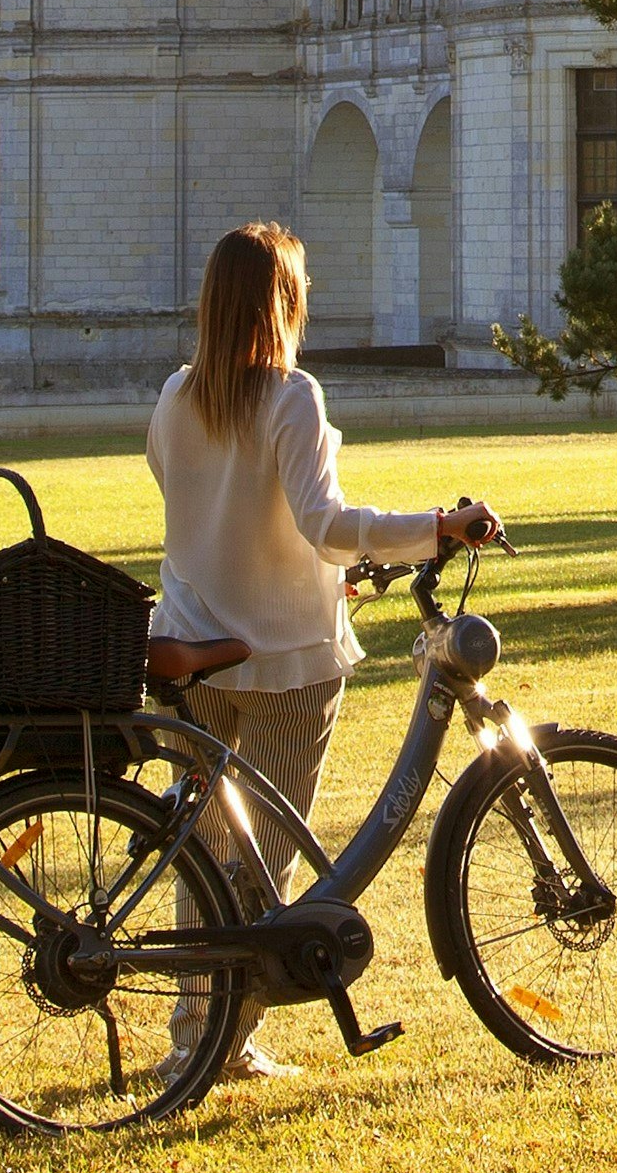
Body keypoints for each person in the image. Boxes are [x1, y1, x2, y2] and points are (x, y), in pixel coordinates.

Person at [143, 219, 492, 1077]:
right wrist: (436, 527)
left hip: (191, 639)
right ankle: (226, 1039)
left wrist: (310, 569)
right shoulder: (290, 394)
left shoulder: (174, 396)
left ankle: (199, 1033)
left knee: (208, 852)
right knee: (261, 858)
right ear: (283, 301)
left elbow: (210, 519)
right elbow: (324, 522)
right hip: (282, 656)